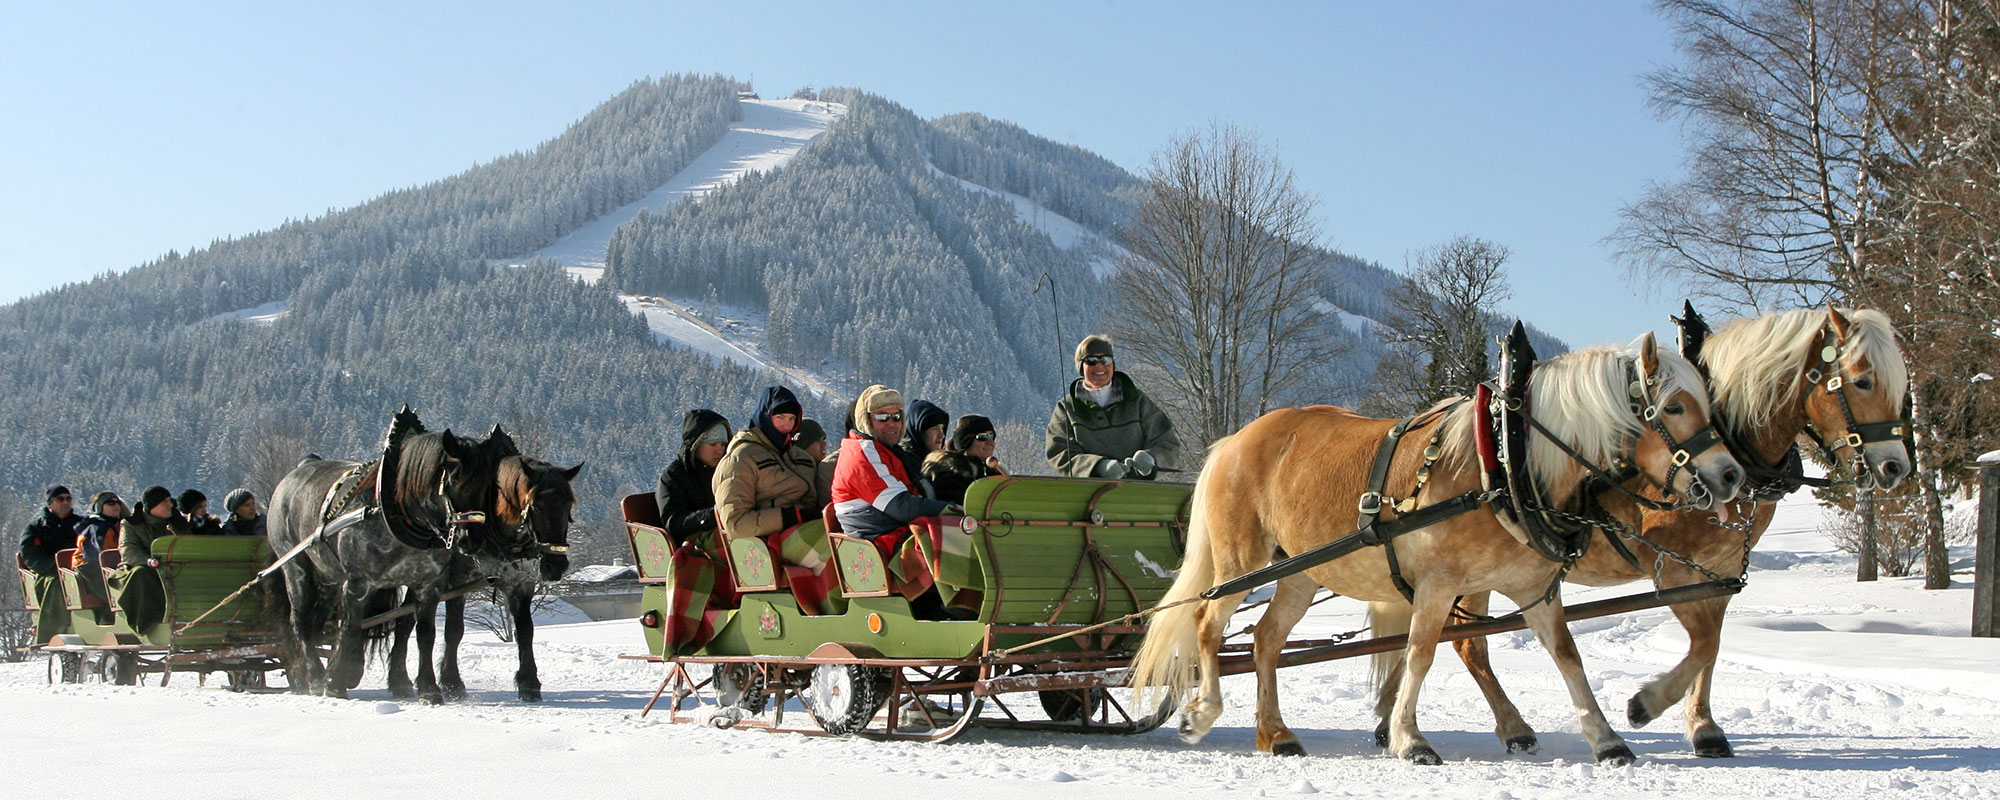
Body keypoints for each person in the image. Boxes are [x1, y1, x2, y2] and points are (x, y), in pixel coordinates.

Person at [712, 386, 835, 613]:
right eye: (779, 418)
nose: (786, 425)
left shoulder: (801, 458)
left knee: (853, 536)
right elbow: (735, 523)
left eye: (791, 419)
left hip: (810, 525)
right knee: (837, 551)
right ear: (764, 417)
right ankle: (836, 612)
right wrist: (790, 516)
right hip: (769, 541)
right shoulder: (741, 458)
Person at [1046, 334, 1182, 480]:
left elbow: (1167, 443)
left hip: (1141, 493)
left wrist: (1152, 459)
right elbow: (1060, 452)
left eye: (1106, 360)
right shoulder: (1067, 408)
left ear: (1113, 365)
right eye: (1091, 361)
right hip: (1089, 495)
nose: (1099, 366)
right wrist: (1098, 466)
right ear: (1081, 366)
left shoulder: (1137, 401)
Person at [832, 385, 956, 538]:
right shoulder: (862, 453)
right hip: (880, 540)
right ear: (865, 420)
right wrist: (953, 510)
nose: (891, 423)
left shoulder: (887, 450)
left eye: (896, 417)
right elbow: (901, 506)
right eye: (882, 417)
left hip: (898, 531)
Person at [107, 485, 190, 630]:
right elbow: (129, 551)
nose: (170, 504)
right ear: (153, 505)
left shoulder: (177, 523)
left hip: (175, 568)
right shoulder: (131, 524)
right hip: (143, 568)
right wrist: (149, 561)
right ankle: (147, 622)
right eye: (165, 501)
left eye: (170, 500)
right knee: (140, 574)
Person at [654, 409, 730, 544]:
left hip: (725, 534)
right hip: (693, 543)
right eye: (712, 444)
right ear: (696, 445)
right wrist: (714, 515)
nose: (719, 450)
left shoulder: (726, 471)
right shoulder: (673, 476)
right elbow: (673, 523)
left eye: (723, 444)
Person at [17, 486, 80, 640]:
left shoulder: (81, 524)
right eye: (60, 499)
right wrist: (55, 566)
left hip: (80, 569)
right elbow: (31, 555)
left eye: (68, 499)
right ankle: (53, 630)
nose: (65, 502)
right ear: (50, 504)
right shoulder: (36, 528)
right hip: (50, 572)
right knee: (57, 584)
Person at [923, 414, 1008, 504]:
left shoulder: (995, 472)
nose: (990, 442)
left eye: (991, 436)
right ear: (966, 441)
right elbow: (963, 507)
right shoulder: (948, 473)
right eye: (983, 437)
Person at [72, 492, 124, 622]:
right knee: (118, 596)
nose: (116, 505)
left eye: (118, 502)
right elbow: (98, 555)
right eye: (110, 503)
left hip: (109, 567)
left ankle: (108, 621)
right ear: (101, 507)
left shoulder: (119, 525)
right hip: (89, 568)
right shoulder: (96, 527)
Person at [794, 418, 833, 508]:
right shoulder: (794, 476)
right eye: (817, 441)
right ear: (803, 443)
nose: (824, 445)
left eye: (823, 440)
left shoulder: (826, 470)